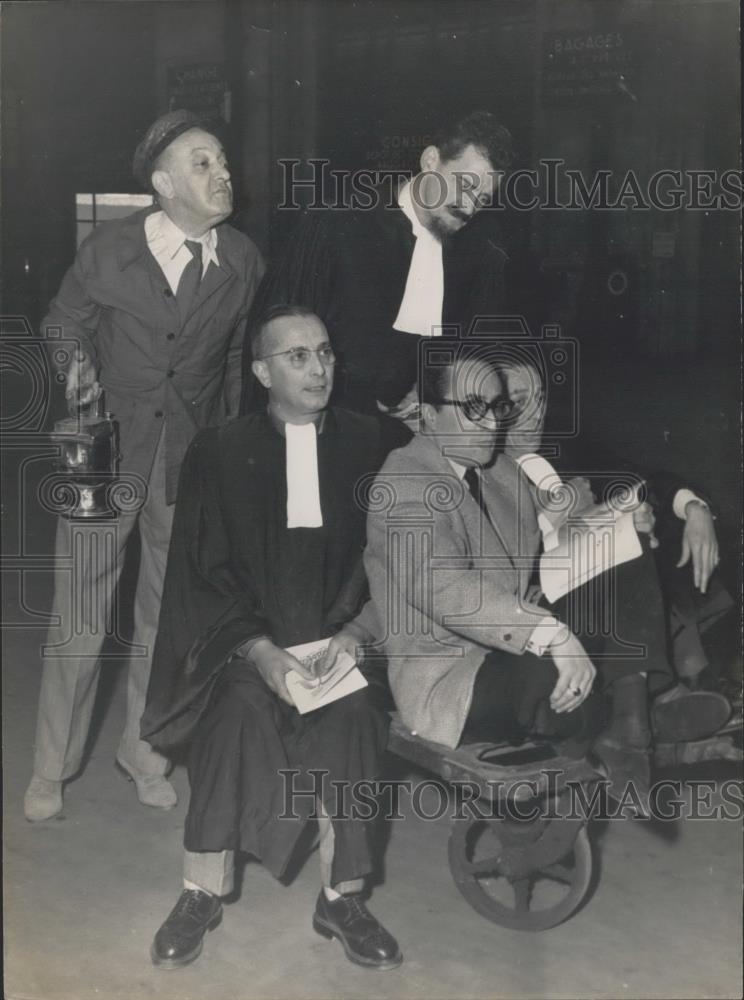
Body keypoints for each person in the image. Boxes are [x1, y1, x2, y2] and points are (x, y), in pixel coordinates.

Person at [140, 306, 402, 971]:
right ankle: (200, 890)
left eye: (325, 352)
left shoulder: (374, 443)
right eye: (298, 357)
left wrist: (352, 637)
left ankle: (342, 898)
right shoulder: (220, 451)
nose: (319, 368)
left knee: (354, 720)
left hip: (341, 645)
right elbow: (205, 572)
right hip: (245, 645)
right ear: (262, 372)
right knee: (233, 717)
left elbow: (400, 553)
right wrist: (260, 653)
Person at [24, 109, 265, 822]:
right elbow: (62, 322)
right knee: (80, 615)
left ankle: (145, 752)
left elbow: (227, 366)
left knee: (167, 618)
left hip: (186, 461)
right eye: (202, 162)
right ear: (163, 183)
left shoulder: (243, 262)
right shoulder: (109, 250)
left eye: (222, 160)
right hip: (102, 451)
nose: (223, 173)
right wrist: (76, 370)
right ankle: (50, 767)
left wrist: (223, 455)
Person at [362, 346, 730, 801]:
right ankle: (641, 718)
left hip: (510, 647)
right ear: (429, 414)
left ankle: (629, 721)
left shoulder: (500, 472)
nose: (492, 423)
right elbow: (440, 586)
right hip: (454, 677)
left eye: (497, 408)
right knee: (553, 676)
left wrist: (618, 523)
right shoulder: (402, 480)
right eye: (472, 409)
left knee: (623, 542)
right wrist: (551, 633)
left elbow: (555, 538)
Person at [239, 109, 516, 416]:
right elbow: (276, 341)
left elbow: (476, 359)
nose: (469, 205)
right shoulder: (338, 225)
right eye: (465, 185)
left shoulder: (479, 255)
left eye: (482, 199)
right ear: (430, 161)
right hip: (330, 425)